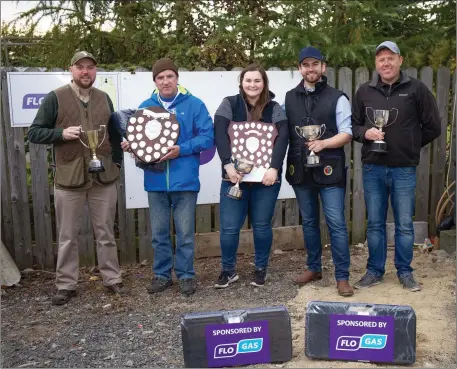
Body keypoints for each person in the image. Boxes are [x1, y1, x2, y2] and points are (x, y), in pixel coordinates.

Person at [28, 51, 127, 305]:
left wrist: (117, 161)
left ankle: (112, 279)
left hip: (103, 177)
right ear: (71, 69)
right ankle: (66, 284)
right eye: (80, 67)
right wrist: (61, 133)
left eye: (91, 67)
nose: (86, 72)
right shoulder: (55, 98)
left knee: (105, 231)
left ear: (96, 71)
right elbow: (35, 133)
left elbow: (115, 135)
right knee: (67, 235)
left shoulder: (104, 98)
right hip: (68, 178)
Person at [351, 41, 441, 292]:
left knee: (403, 223)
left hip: (403, 168)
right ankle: (374, 271)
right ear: (376, 64)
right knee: (375, 224)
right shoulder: (364, 91)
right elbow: (354, 126)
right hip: (373, 168)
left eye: (390, 57)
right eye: (381, 59)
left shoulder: (417, 89)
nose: (386, 63)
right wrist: (365, 134)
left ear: (400, 60)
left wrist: (411, 145)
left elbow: (433, 126)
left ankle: (405, 271)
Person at [121, 58, 214, 296]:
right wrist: (132, 146)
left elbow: (207, 137)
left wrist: (181, 149)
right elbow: (142, 144)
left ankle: (185, 275)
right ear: (155, 81)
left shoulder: (194, 105)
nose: (165, 81)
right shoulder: (145, 106)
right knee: (160, 233)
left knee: (184, 234)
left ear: (177, 78)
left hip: (185, 181)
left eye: (169, 76)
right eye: (160, 77)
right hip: (155, 181)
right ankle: (162, 275)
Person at [285, 46, 354, 297]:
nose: (310, 69)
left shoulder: (338, 97)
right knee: (310, 222)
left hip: (330, 168)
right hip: (301, 170)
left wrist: (323, 143)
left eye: (315, 64)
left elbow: (348, 133)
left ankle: (342, 277)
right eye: (306, 65)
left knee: (335, 223)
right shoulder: (290, 97)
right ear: (300, 68)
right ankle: (314, 268)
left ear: (323, 67)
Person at [213, 64, 289, 288]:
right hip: (234, 177)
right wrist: (227, 164)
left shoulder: (274, 108)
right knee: (228, 227)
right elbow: (219, 133)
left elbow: (283, 137)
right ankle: (228, 271)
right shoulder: (229, 103)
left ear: (264, 83)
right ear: (241, 82)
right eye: (248, 80)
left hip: (266, 179)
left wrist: (274, 168)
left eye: (257, 81)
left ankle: (260, 269)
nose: (252, 85)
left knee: (262, 226)